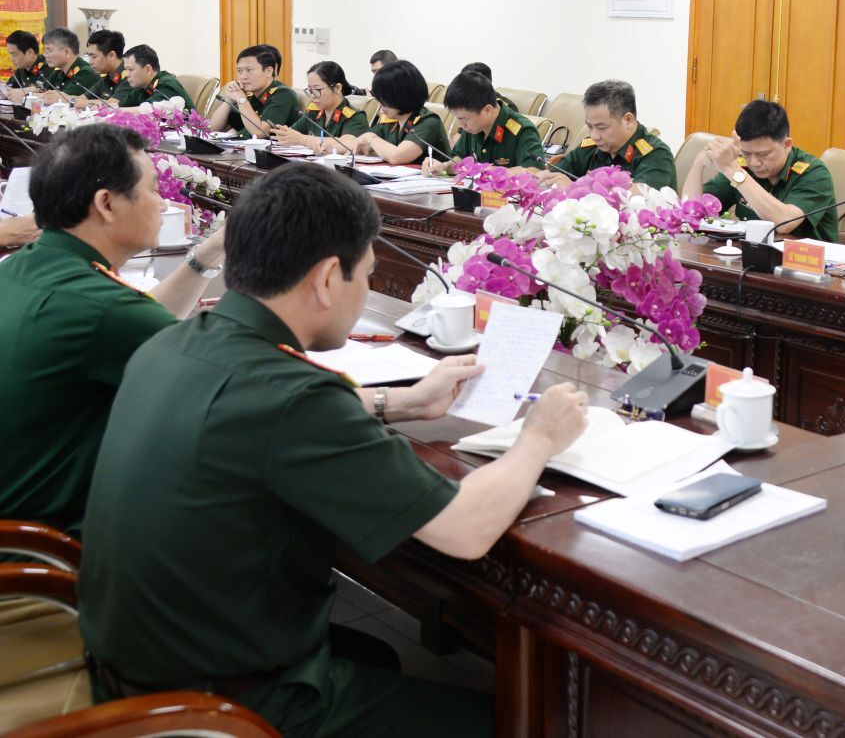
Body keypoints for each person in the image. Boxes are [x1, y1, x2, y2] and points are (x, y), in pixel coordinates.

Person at [77, 163, 589, 738]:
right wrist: (539, 437)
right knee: (528, 722)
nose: (366, 289)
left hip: (130, 668)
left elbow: (263, 414)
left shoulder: (173, 340)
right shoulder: (294, 397)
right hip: (220, 711)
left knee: (376, 657)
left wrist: (403, 403)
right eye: (366, 274)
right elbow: (465, 530)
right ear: (326, 279)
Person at [0, 123, 224, 532]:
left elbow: (140, 322)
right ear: (106, 203)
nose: (163, 203)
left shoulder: (22, 267)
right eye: (153, 189)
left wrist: (207, 253)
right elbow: (225, 391)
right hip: (48, 549)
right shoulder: (102, 309)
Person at [683, 99, 838, 241]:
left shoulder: (815, 173)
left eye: (763, 154)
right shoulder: (741, 167)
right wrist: (699, 164)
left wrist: (733, 171)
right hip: (751, 255)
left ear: (787, 145)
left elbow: (784, 223)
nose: (754, 163)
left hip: (807, 259)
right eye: (746, 153)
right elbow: (690, 213)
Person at [538, 79, 675, 191]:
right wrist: (544, 179)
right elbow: (555, 174)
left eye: (601, 127)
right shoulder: (591, 147)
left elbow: (633, 201)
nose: (594, 136)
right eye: (589, 126)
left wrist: (573, 189)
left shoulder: (656, 155)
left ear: (628, 120)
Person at [422, 71, 541, 174]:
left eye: (463, 119)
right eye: (457, 119)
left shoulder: (522, 130)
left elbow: (534, 172)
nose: (461, 125)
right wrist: (444, 166)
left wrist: (487, 170)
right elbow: (460, 159)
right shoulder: (473, 126)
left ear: (487, 110)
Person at [353, 59, 449, 165]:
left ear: (402, 95)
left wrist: (369, 137)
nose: (380, 105)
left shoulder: (428, 122)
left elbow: (397, 157)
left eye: (385, 100)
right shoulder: (392, 120)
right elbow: (359, 142)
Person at [269, 61, 370, 155]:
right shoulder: (314, 111)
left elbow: (346, 143)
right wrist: (284, 133)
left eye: (317, 90)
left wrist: (302, 140)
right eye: (310, 90)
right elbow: (293, 133)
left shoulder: (355, 117)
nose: (313, 96)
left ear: (337, 88)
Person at [209, 43, 298, 136]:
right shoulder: (250, 94)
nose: (243, 77)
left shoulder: (283, 94)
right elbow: (213, 128)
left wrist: (241, 99)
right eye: (239, 71)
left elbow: (259, 133)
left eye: (249, 70)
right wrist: (229, 99)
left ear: (268, 71)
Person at [36, 27, 103, 101]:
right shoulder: (59, 71)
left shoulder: (85, 73)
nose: (45, 55)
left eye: (49, 51)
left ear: (67, 52)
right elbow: (42, 89)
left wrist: (37, 95)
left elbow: (60, 100)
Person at [118, 45, 194, 108]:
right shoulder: (142, 88)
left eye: (130, 69)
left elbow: (147, 111)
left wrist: (117, 111)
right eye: (126, 70)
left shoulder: (167, 85)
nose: (127, 74)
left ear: (148, 69)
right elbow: (120, 106)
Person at [76, 28, 130, 107]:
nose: (90, 62)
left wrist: (85, 103)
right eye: (89, 56)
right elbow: (80, 99)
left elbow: (113, 105)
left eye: (93, 57)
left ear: (111, 55)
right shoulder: (106, 76)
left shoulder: (129, 75)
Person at [3, 29, 45, 98]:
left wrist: (23, 92)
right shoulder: (22, 66)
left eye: (14, 54)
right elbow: (9, 86)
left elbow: (43, 89)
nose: (11, 59)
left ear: (30, 52)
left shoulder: (47, 66)